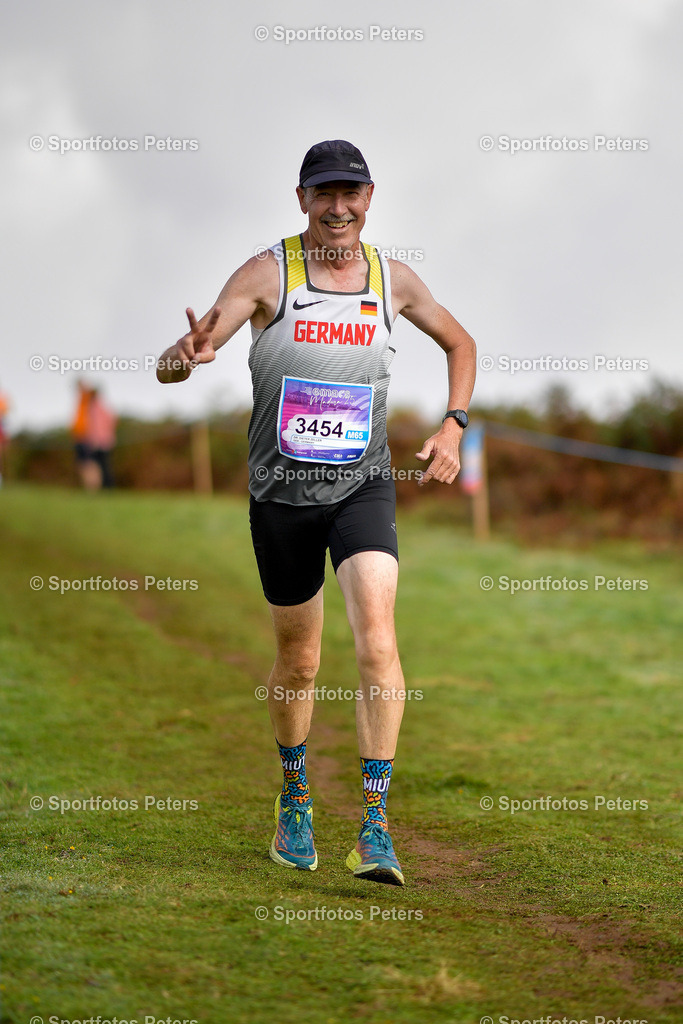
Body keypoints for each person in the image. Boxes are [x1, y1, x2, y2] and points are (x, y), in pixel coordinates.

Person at [157, 140, 477, 886]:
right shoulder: (266, 274)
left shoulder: (391, 280)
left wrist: (453, 423)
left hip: (362, 487)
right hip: (280, 497)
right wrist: (182, 357)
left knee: (376, 640)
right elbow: (178, 360)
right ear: (301, 199)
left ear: (370, 197)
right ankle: (294, 796)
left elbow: (460, 342)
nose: (339, 208)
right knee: (300, 660)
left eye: (351, 194)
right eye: (323, 194)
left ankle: (373, 826)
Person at [86, 388, 117, 488]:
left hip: (101, 443)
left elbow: (97, 426)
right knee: (101, 465)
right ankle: (103, 486)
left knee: (103, 465)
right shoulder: (100, 407)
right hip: (101, 441)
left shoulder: (97, 408)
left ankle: (107, 486)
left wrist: (99, 439)